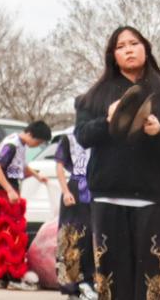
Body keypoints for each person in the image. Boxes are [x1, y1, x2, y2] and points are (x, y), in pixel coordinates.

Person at [73, 25, 160, 300]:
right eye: (121, 46)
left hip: (151, 199)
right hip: (108, 198)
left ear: (145, 48)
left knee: (151, 281)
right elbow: (82, 136)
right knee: (111, 281)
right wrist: (108, 120)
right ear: (112, 55)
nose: (128, 49)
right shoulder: (96, 95)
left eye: (134, 43)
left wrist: (159, 132)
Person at [0, 120, 50, 289]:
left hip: (9, 191)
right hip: (1, 193)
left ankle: (4, 277)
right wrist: (9, 190)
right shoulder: (12, 145)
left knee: (7, 237)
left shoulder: (20, 144)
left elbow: (22, 167)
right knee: (10, 237)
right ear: (30, 134)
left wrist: (38, 176)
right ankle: (13, 278)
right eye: (38, 142)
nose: (37, 146)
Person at [53, 124, 93, 298]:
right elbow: (59, 165)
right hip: (76, 187)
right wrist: (65, 191)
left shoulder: (102, 129)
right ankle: (72, 285)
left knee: (94, 235)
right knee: (71, 236)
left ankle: (91, 282)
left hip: (98, 187)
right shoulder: (69, 135)